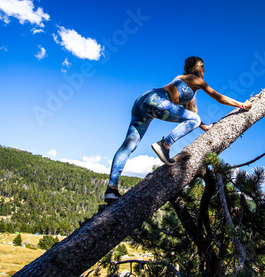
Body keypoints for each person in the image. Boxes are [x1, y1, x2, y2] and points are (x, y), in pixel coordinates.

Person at [104, 56, 253, 203]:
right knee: (193, 119)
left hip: (142, 101)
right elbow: (219, 97)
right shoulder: (196, 80)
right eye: (204, 68)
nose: (204, 71)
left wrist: (205, 127)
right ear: (200, 69)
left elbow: (190, 115)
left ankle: (111, 189)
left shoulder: (184, 82)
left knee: (129, 145)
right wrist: (241, 105)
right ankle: (165, 144)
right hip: (155, 100)